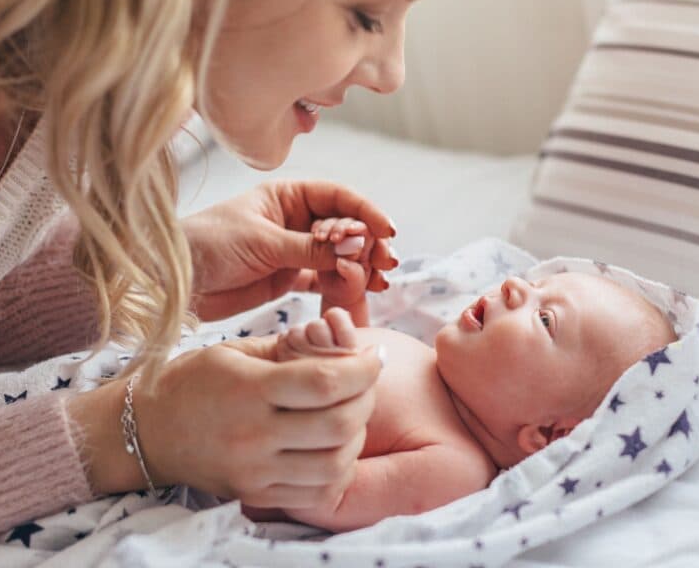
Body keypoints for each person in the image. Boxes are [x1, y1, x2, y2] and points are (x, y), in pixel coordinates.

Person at [0, 0, 452, 564]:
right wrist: (129, 434)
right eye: (367, 15)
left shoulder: (67, 62)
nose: (393, 74)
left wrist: (153, 267)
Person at [240, 220, 677, 532]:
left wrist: (311, 389)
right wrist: (343, 301)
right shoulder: (429, 362)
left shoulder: (456, 467)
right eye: (538, 285)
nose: (515, 286)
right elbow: (358, 353)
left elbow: (329, 497)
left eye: (545, 318)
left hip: (222, 445)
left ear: (546, 434)